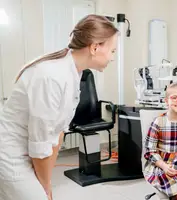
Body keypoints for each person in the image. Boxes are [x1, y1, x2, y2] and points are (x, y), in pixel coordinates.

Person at [0, 14, 118, 200]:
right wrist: (45, 185)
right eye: (113, 51)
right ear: (95, 47)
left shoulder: (73, 72)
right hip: (9, 153)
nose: (113, 58)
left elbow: (57, 133)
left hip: (30, 149)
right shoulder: (51, 76)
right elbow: (41, 146)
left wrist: (46, 183)